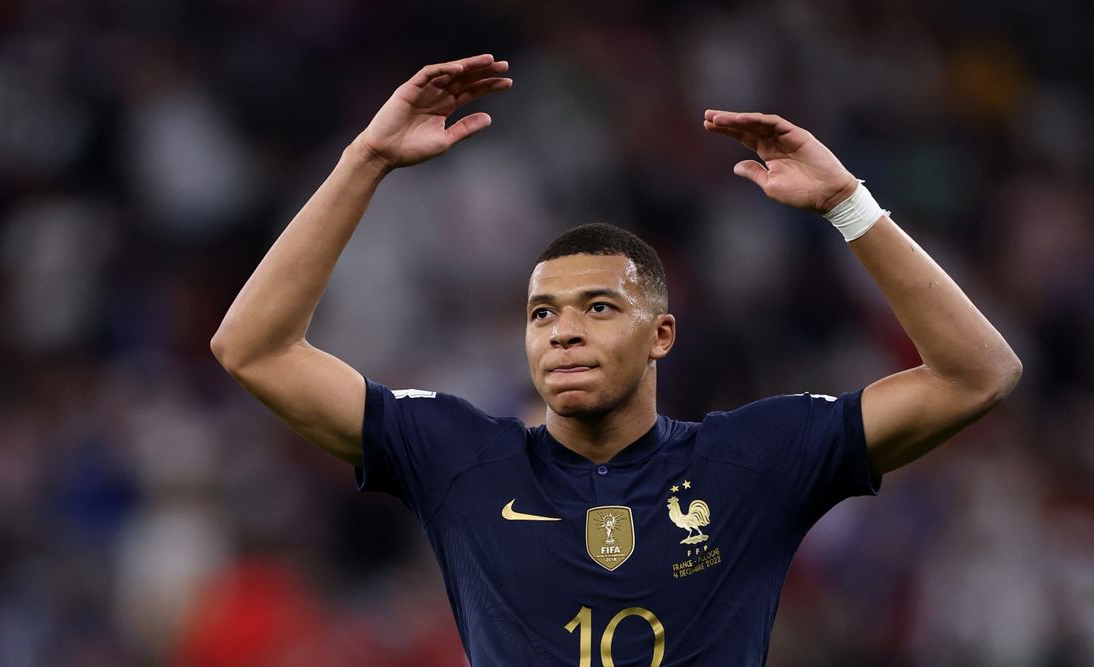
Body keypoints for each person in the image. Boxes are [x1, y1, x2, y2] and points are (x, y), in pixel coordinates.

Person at [210, 53, 1022, 666]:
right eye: (541, 314)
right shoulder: (459, 458)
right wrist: (367, 161)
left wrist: (850, 205)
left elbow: (978, 374)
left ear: (662, 335)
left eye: (598, 307)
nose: (563, 331)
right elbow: (252, 347)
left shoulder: (756, 460)